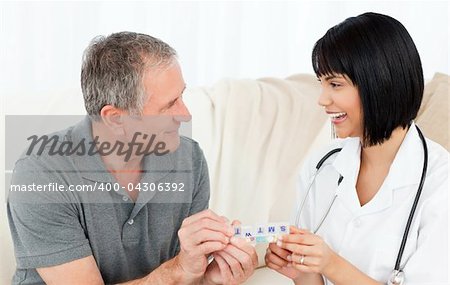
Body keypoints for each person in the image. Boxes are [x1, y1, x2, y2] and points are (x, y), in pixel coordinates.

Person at [7, 32, 257, 285]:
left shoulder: (189, 160)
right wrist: (179, 270)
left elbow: (185, 277)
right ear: (115, 118)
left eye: (182, 95)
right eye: (169, 105)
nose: (185, 114)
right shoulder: (41, 174)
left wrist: (207, 279)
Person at [265, 12, 448, 284]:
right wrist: (303, 272)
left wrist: (331, 264)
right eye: (322, 84)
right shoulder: (321, 167)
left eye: (335, 85)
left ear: (380, 83)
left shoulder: (440, 181)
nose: (322, 100)